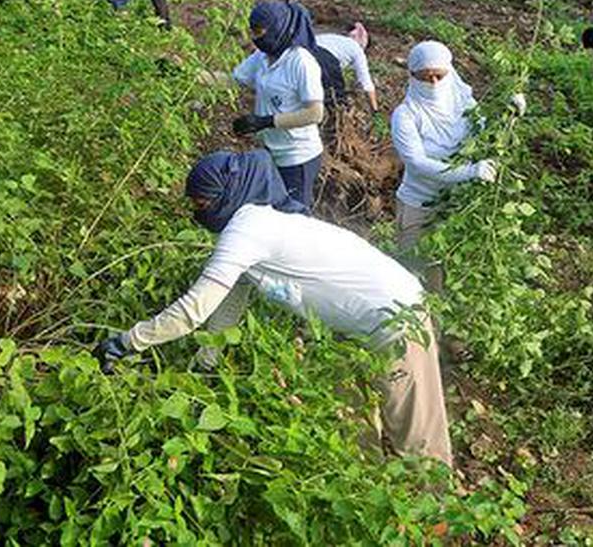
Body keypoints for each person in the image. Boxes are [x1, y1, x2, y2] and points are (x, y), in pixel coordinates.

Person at [95, 150, 453, 467]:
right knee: (349, 416)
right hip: (356, 328)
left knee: (416, 434)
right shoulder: (258, 227)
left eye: (200, 203)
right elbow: (223, 314)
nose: (196, 213)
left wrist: (127, 342)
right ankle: (368, 493)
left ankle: (436, 520)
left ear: (226, 194)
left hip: (397, 317)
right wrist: (205, 367)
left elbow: (194, 310)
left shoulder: (247, 228)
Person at [391, 41, 496, 251]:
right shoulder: (406, 114)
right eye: (425, 77)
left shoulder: (465, 105)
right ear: (413, 76)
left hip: (456, 205)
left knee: (446, 267)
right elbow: (417, 163)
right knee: (414, 265)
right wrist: (469, 172)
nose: (434, 83)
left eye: (439, 76)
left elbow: (486, 136)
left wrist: (509, 113)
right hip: (419, 204)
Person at [232, 0, 326, 208]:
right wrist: (190, 74)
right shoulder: (262, 57)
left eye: (259, 32)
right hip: (271, 151)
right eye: (252, 31)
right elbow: (233, 80)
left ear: (277, 28)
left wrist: (266, 122)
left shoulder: (300, 61)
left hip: (297, 156)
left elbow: (315, 113)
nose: (254, 38)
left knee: (295, 217)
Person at [315, 22, 378, 112]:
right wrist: (375, 110)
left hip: (303, 50)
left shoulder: (335, 38)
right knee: (336, 97)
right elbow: (367, 84)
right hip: (324, 58)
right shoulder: (357, 49)